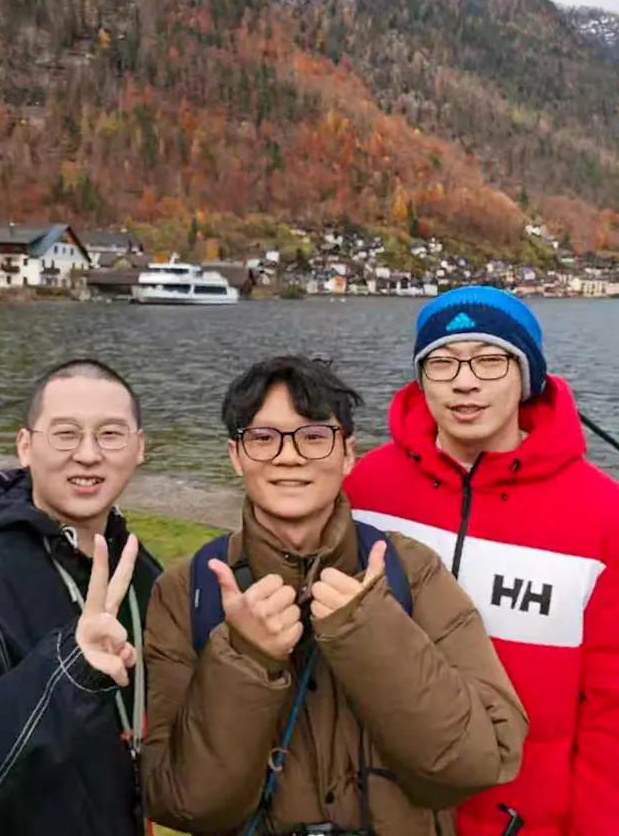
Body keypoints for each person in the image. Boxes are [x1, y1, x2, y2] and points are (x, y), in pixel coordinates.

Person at [344, 286, 619, 836]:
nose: (464, 380)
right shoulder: (367, 490)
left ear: (528, 377)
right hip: (374, 808)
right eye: (442, 362)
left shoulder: (613, 526)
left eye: (490, 359)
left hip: (519, 821)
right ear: (420, 378)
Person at [142, 355, 527, 836]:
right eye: (263, 438)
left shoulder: (411, 571)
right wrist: (246, 659)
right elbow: (184, 804)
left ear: (348, 454)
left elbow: (476, 763)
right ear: (235, 455)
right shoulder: (187, 590)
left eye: (314, 436)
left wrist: (371, 634)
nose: (289, 456)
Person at [0, 359, 162, 836]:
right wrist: (68, 670)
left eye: (111, 435)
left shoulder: (138, 573)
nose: (88, 455)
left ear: (139, 448)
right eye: (66, 434)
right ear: (26, 447)